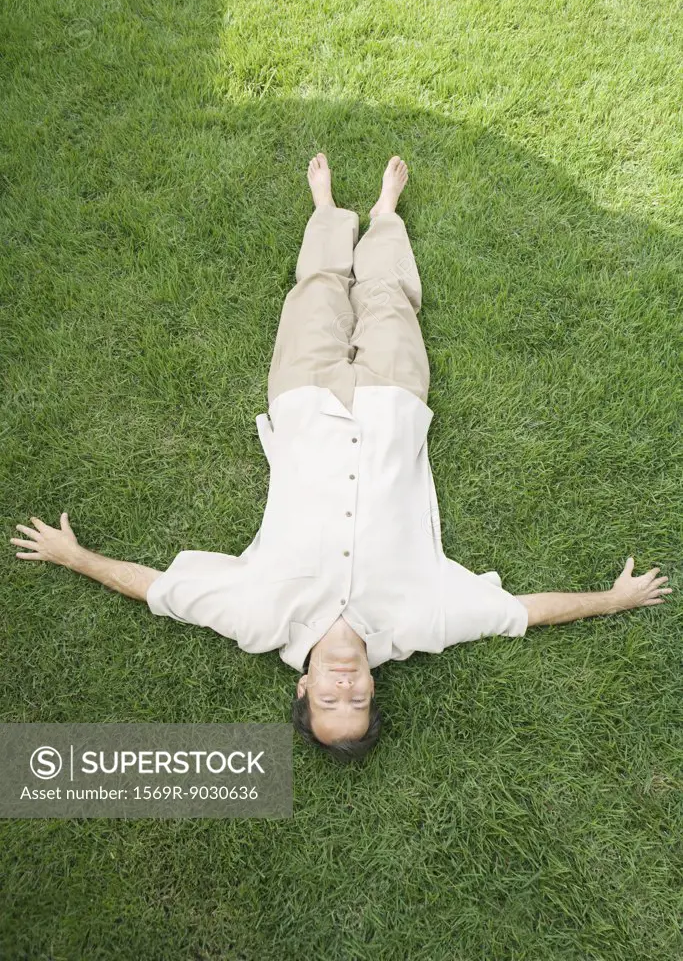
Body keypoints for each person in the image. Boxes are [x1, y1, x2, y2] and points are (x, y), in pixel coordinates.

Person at [10, 154, 673, 764]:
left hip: (302, 403)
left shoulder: (254, 616)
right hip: (391, 403)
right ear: (372, 692)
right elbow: (523, 612)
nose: (344, 690)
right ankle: (384, 216)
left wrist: (77, 558)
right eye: (356, 702)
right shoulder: (423, 620)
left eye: (328, 702)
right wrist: (611, 601)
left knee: (317, 292)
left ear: (301, 688)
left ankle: (326, 210)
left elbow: (157, 589)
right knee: (388, 301)